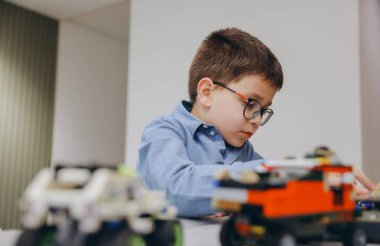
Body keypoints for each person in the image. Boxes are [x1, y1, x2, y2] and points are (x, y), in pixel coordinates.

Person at [136, 27, 375, 217]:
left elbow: (280, 192)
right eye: (250, 103)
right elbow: (175, 188)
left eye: (264, 110)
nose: (258, 121)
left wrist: (331, 188)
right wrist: (287, 172)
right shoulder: (163, 132)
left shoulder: (243, 152)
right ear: (207, 92)